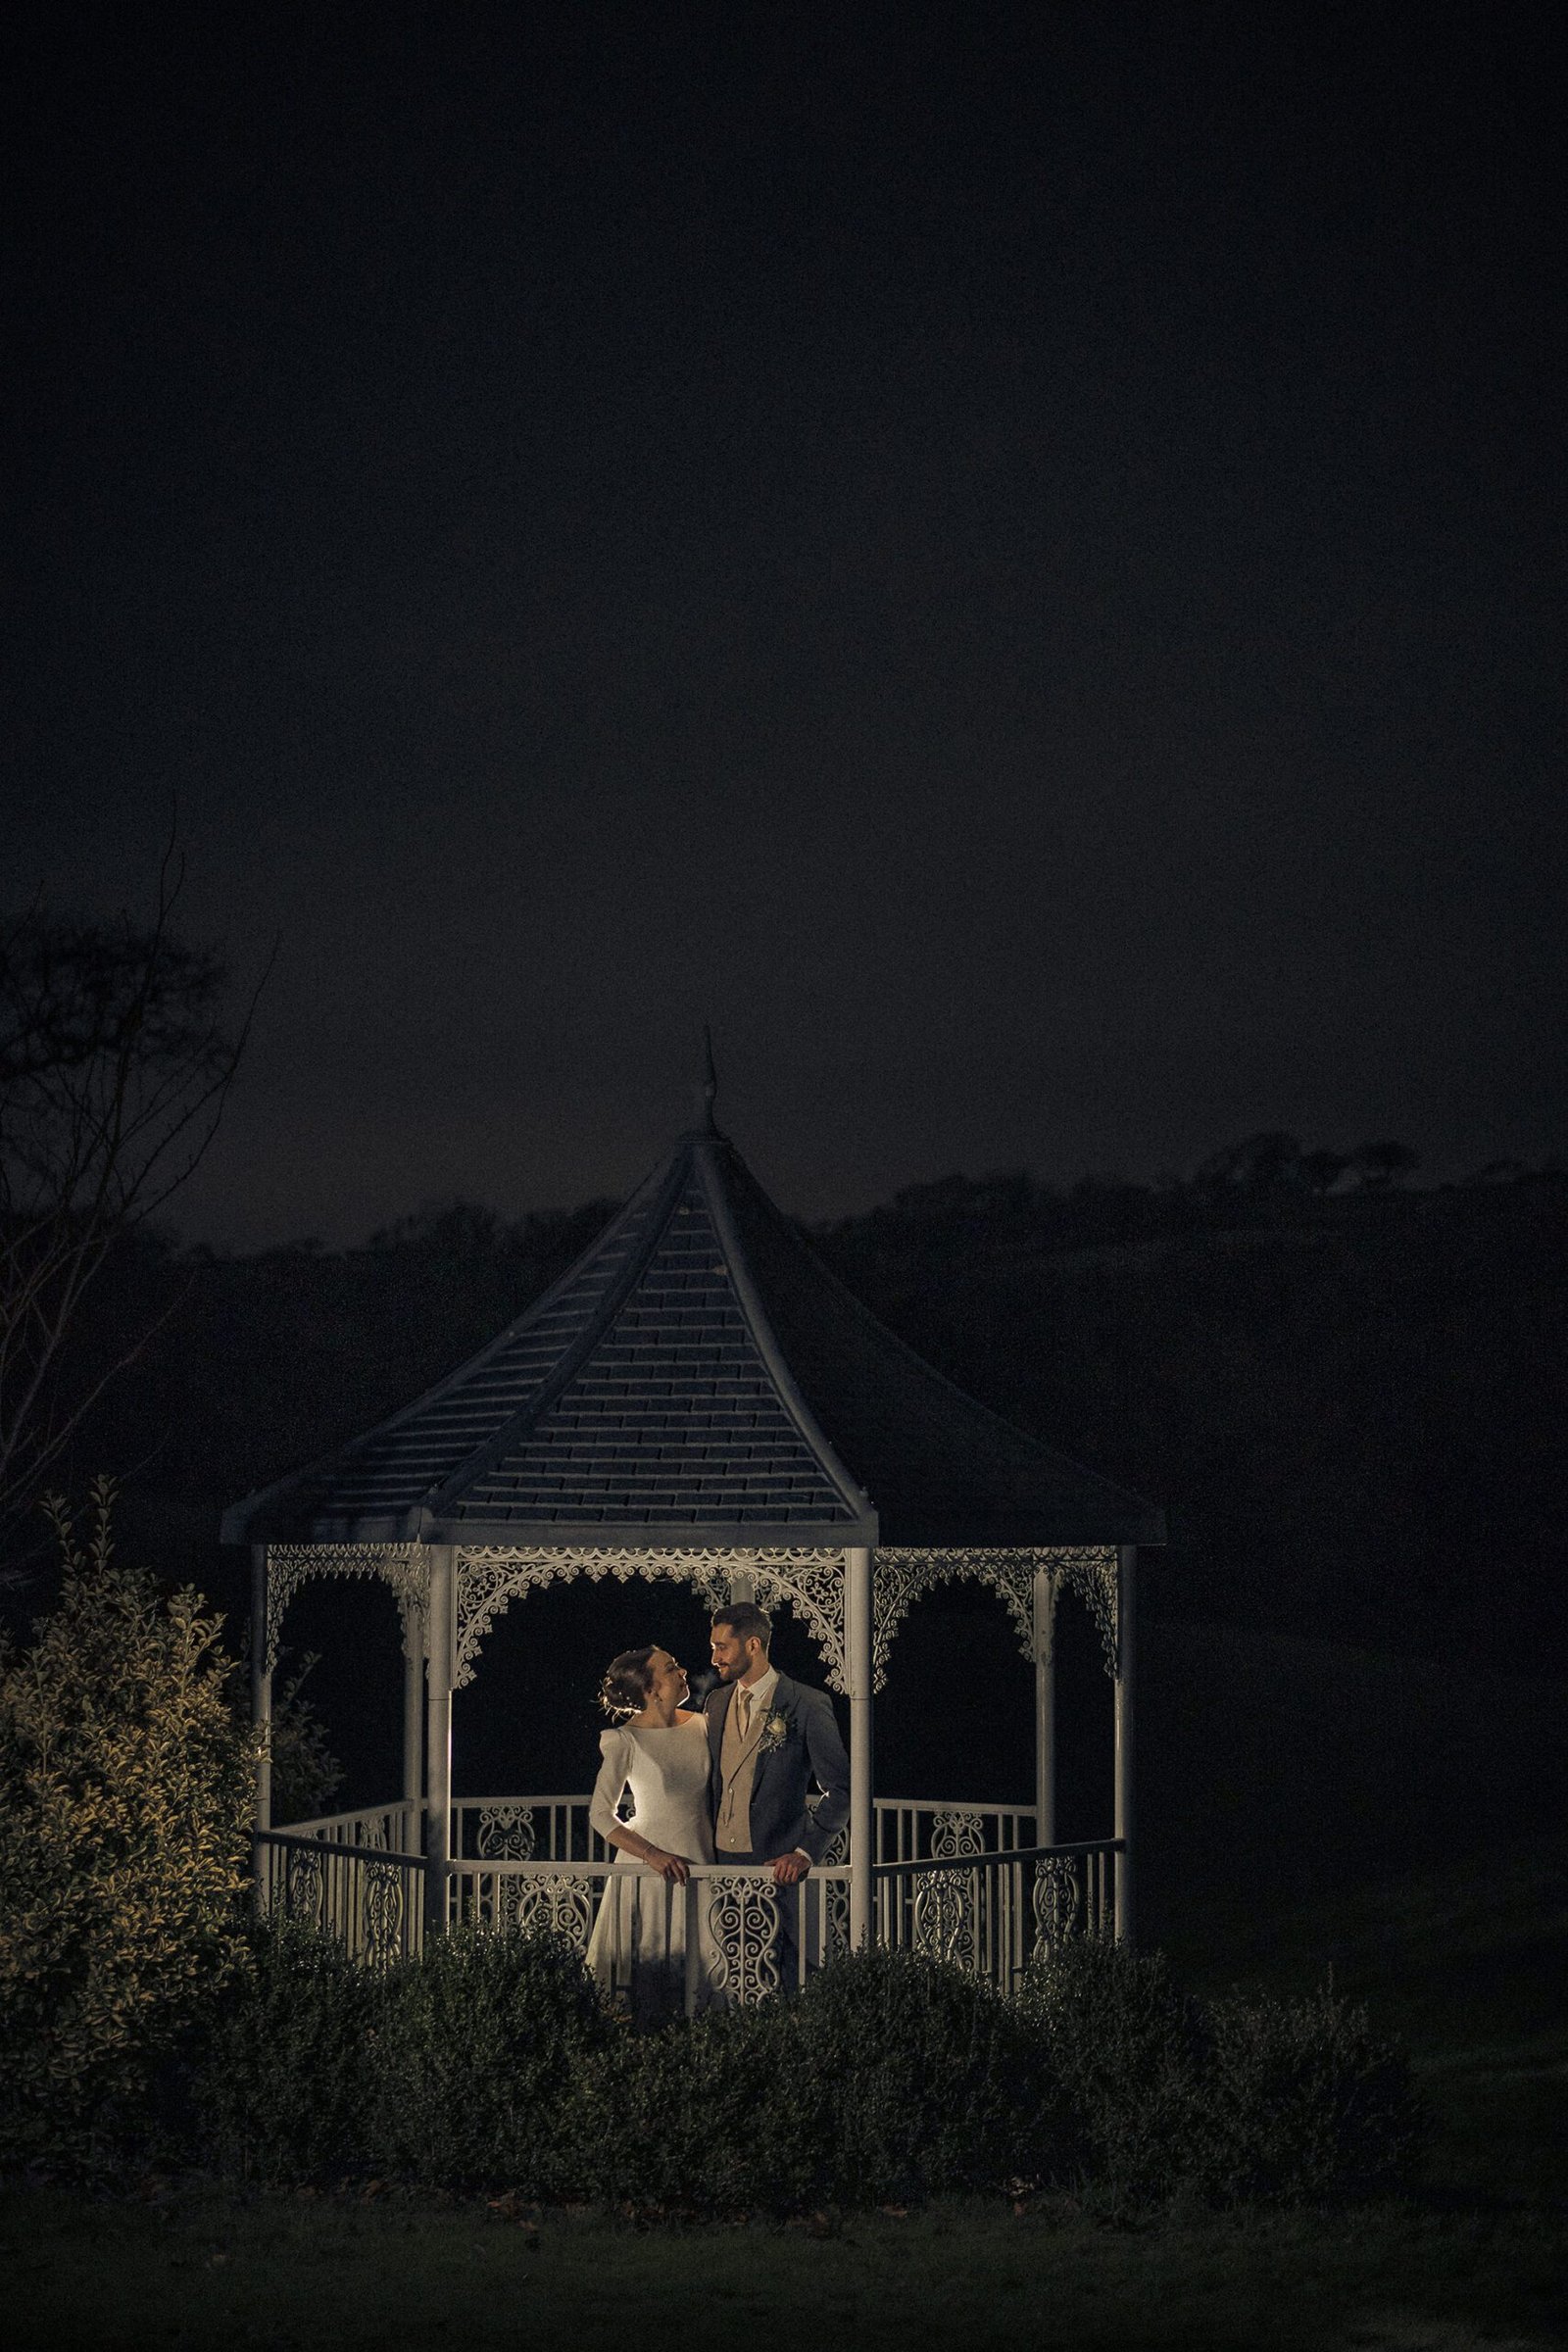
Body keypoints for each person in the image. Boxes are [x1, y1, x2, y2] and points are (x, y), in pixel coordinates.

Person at [705, 1601, 851, 1990]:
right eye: (714, 1646)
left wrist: (804, 1853)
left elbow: (842, 1789)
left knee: (791, 1978)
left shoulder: (806, 1703)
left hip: (778, 1866)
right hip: (722, 1866)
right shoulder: (716, 1703)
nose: (715, 1656)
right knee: (732, 1976)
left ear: (753, 1645)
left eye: (723, 1647)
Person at [584, 1644, 720, 2021]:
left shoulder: (702, 1725)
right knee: (649, 1983)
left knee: (704, 1976)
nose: (682, 1672)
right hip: (651, 1872)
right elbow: (600, 1814)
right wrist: (652, 1855)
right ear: (651, 1689)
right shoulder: (625, 1740)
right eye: (671, 1668)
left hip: (701, 1863)